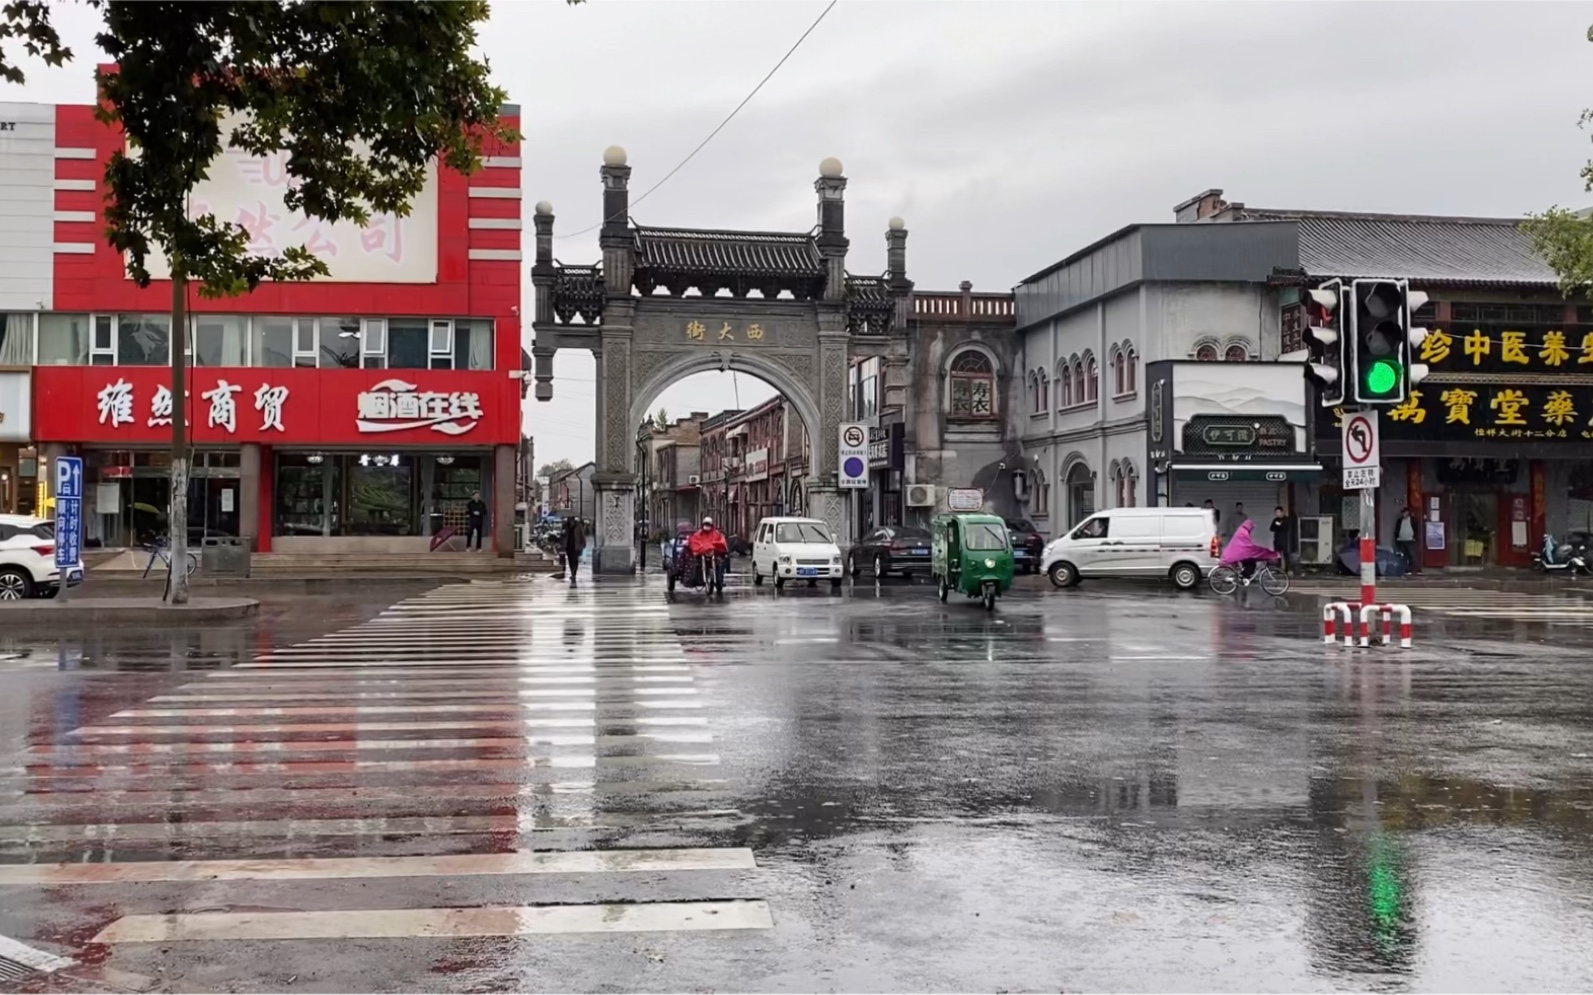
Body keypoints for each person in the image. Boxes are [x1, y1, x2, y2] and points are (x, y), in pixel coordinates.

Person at [686, 516, 730, 589]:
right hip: (701, 555)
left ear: (711, 525)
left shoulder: (716, 533)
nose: (707, 526)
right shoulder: (698, 534)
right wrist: (701, 548)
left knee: (720, 565)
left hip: (714, 554)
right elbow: (694, 542)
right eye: (705, 524)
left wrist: (715, 547)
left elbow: (721, 541)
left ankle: (719, 581)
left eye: (708, 524)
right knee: (695, 564)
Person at [562, 516, 587, 585]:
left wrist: (583, 544)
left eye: (570, 519)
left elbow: (582, 535)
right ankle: (572, 572)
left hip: (576, 546)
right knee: (570, 560)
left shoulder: (578, 526)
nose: (569, 521)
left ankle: (574, 573)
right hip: (568, 545)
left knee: (575, 560)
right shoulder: (566, 526)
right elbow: (563, 535)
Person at [1395, 508, 1419, 575]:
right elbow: (1396, 530)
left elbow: (1416, 529)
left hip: (1410, 540)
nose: (1403, 514)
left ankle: (1416, 569)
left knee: (1412, 555)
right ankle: (1405, 569)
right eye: (1403, 513)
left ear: (1408, 512)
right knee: (1403, 556)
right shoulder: (1399, 521)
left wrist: (1415, 537)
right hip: (1401, 540)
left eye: (1405, 512)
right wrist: (1397, 538)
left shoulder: (1412, 520)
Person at [1269, 505, 1293, 573]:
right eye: (1276, 512)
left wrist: (1279, 526)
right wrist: (1277, 526)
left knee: (1286, 555)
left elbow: (1285, 528)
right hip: (1277, 540)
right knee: (1277, 555)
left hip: (1284, 540)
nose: (1277, 514)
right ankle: (1278, 569)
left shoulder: (1286, 519)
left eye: (1279, 512)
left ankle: (1287, 569)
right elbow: (1271, 528)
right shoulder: (1275, 520)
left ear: (1282, 512)